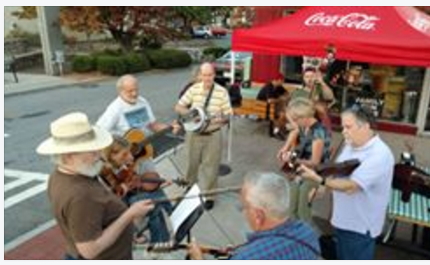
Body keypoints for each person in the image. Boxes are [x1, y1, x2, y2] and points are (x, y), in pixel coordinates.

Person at [36, 112, 154, 259]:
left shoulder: (61, 175)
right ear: (68, 157)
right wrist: (129, 215)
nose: (99, 155)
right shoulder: (81, 195)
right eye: (92, 152)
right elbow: (89, 250)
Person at [297, 106, 394, 260]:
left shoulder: (380, 155)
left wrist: (318, 179)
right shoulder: (351, 144)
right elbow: (338, 170)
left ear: (366, 126)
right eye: (342, 127)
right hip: (343, 220)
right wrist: (323, 187)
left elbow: (351, 186)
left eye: (348, 127)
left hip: (360, 226)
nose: (343, 131)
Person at [188, 172, 320, 260]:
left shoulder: (247, 258)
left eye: (244, 207)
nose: (243, 212)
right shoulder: (308, 232)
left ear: (258, 216)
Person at [174, 62, 233, 210]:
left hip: (213, 134)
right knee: (190, 165)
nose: (207, 78)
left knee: (211, 167)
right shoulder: (193, 89)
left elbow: (228, 113)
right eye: (204, 75)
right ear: (200, 75)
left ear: (214, 75)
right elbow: (178, 106)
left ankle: (209, 196)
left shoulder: (222, 92)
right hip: (193, 134)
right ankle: (189, 191)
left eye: (210, 75)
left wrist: (223, 118)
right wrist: (191, 114)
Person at [101, 135, 173, 245]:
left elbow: (132, 181)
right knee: (152, 203)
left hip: (124, 197)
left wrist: (156, 183)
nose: (130, 157)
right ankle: (157, 236)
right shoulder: (105, 170)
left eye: (129, 152)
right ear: (112, 155)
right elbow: (116, 193)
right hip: (113, 207)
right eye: (124, 154)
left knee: (155, 196)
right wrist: (128, 185)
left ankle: (161, 239)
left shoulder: (118, 165)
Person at [277, 99, 331, 223]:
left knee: (303, 211)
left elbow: (315, 162)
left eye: (295, 120)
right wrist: (285, 148)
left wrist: (293, 159)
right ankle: (295, 233)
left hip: (314, 173)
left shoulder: (318, 132)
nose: (294, 123)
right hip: (303, 169)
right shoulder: (305, 126)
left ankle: (305, 237)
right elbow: (295, 130)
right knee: (292, 208)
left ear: (304, 117)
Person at [290, 67, 335, 132]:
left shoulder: (320, 88)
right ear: (303, 78)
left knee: (320, 107)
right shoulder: (298, 92)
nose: (310, 79)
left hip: (318, 120)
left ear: (315, 77)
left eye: (312, 76)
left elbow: (330, 97)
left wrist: (322, 83)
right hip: (301, 119)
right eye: (307, 77)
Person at [257, 73, 290, 138]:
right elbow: (270, 101)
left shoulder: (278, 86)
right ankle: (276, 131)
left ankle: (280, 129)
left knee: (285, 112)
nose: (283, 82)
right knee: (282, 115)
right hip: (264, 109)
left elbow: (287, 94)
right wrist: (281, 99)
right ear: (278, 80)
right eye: (282, 81)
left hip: (271, 108)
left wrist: (283, 97)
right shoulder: (269, 87)